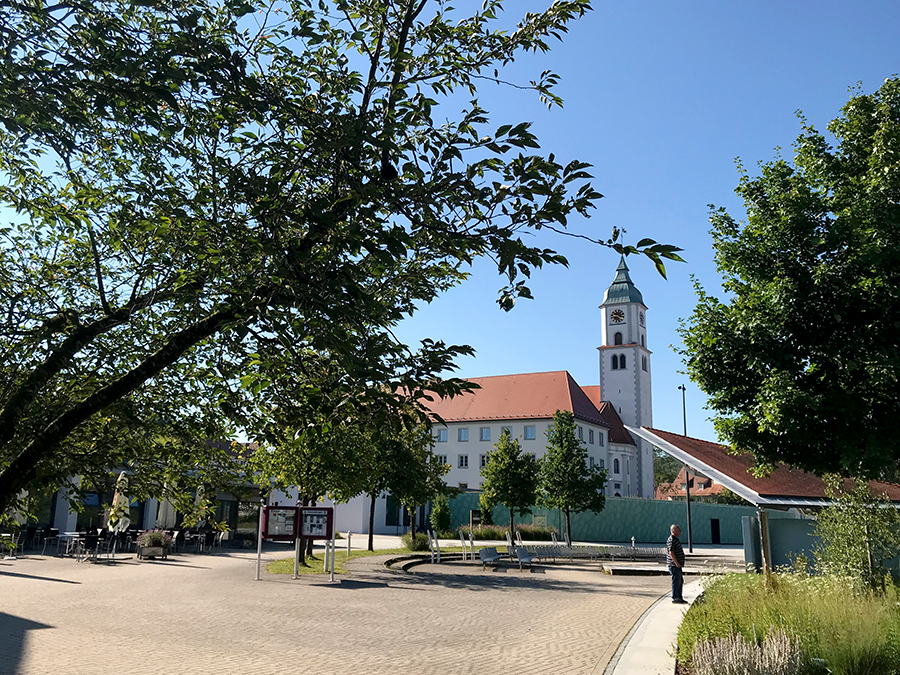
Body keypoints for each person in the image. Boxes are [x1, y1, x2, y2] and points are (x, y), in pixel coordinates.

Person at [666, 524, 687, 604]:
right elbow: (671, 552)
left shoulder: (675, 539)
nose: (680, 532)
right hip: (674, 565)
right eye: (679, 530)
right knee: (676, 581)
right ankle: (676, 598)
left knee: (680, 581)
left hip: (677, 565)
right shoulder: (671, 539)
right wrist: (676, 563)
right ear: (674, 530)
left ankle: (679, 597)